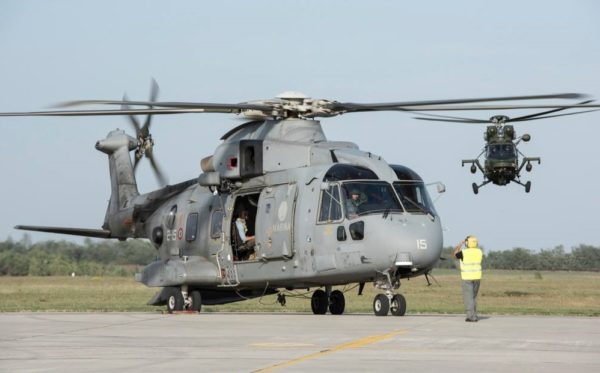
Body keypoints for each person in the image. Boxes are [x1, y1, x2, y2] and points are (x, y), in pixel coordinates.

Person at [453, 235, 483, 322]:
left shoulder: (464, 252)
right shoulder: (479, 252)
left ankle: (471, 317)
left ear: (467, 243)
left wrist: (460, 244)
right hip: (477, 277)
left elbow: (455, 254)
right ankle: (474, 315)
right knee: (473, 297)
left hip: (467, 277)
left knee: (468, 298)